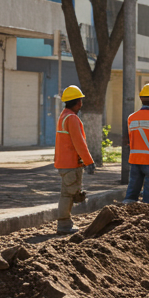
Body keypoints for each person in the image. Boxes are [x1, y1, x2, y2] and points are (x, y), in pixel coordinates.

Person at [54, 85, 94, 234]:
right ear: (78, 102)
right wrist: (89, 161)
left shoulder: (64, 115)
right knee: (67, 194)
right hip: (71, 164)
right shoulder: (72, 118)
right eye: (81, 101)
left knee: (70, 191)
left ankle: (66, 222)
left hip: (66, 163)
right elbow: (79, 143)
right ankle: (64, 225)